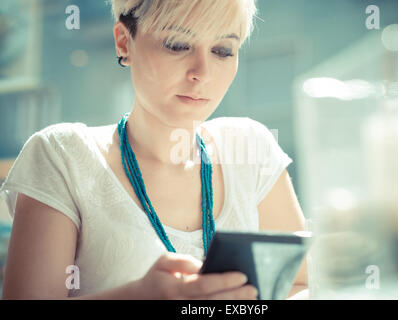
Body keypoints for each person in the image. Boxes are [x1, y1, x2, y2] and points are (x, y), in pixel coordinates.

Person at [0, 0, 308, 299]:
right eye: (177, 45)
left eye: (222, 50)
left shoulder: (251, 148)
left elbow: (301, 285)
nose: (202, 72)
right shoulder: (62, 156)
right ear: (123, 42)